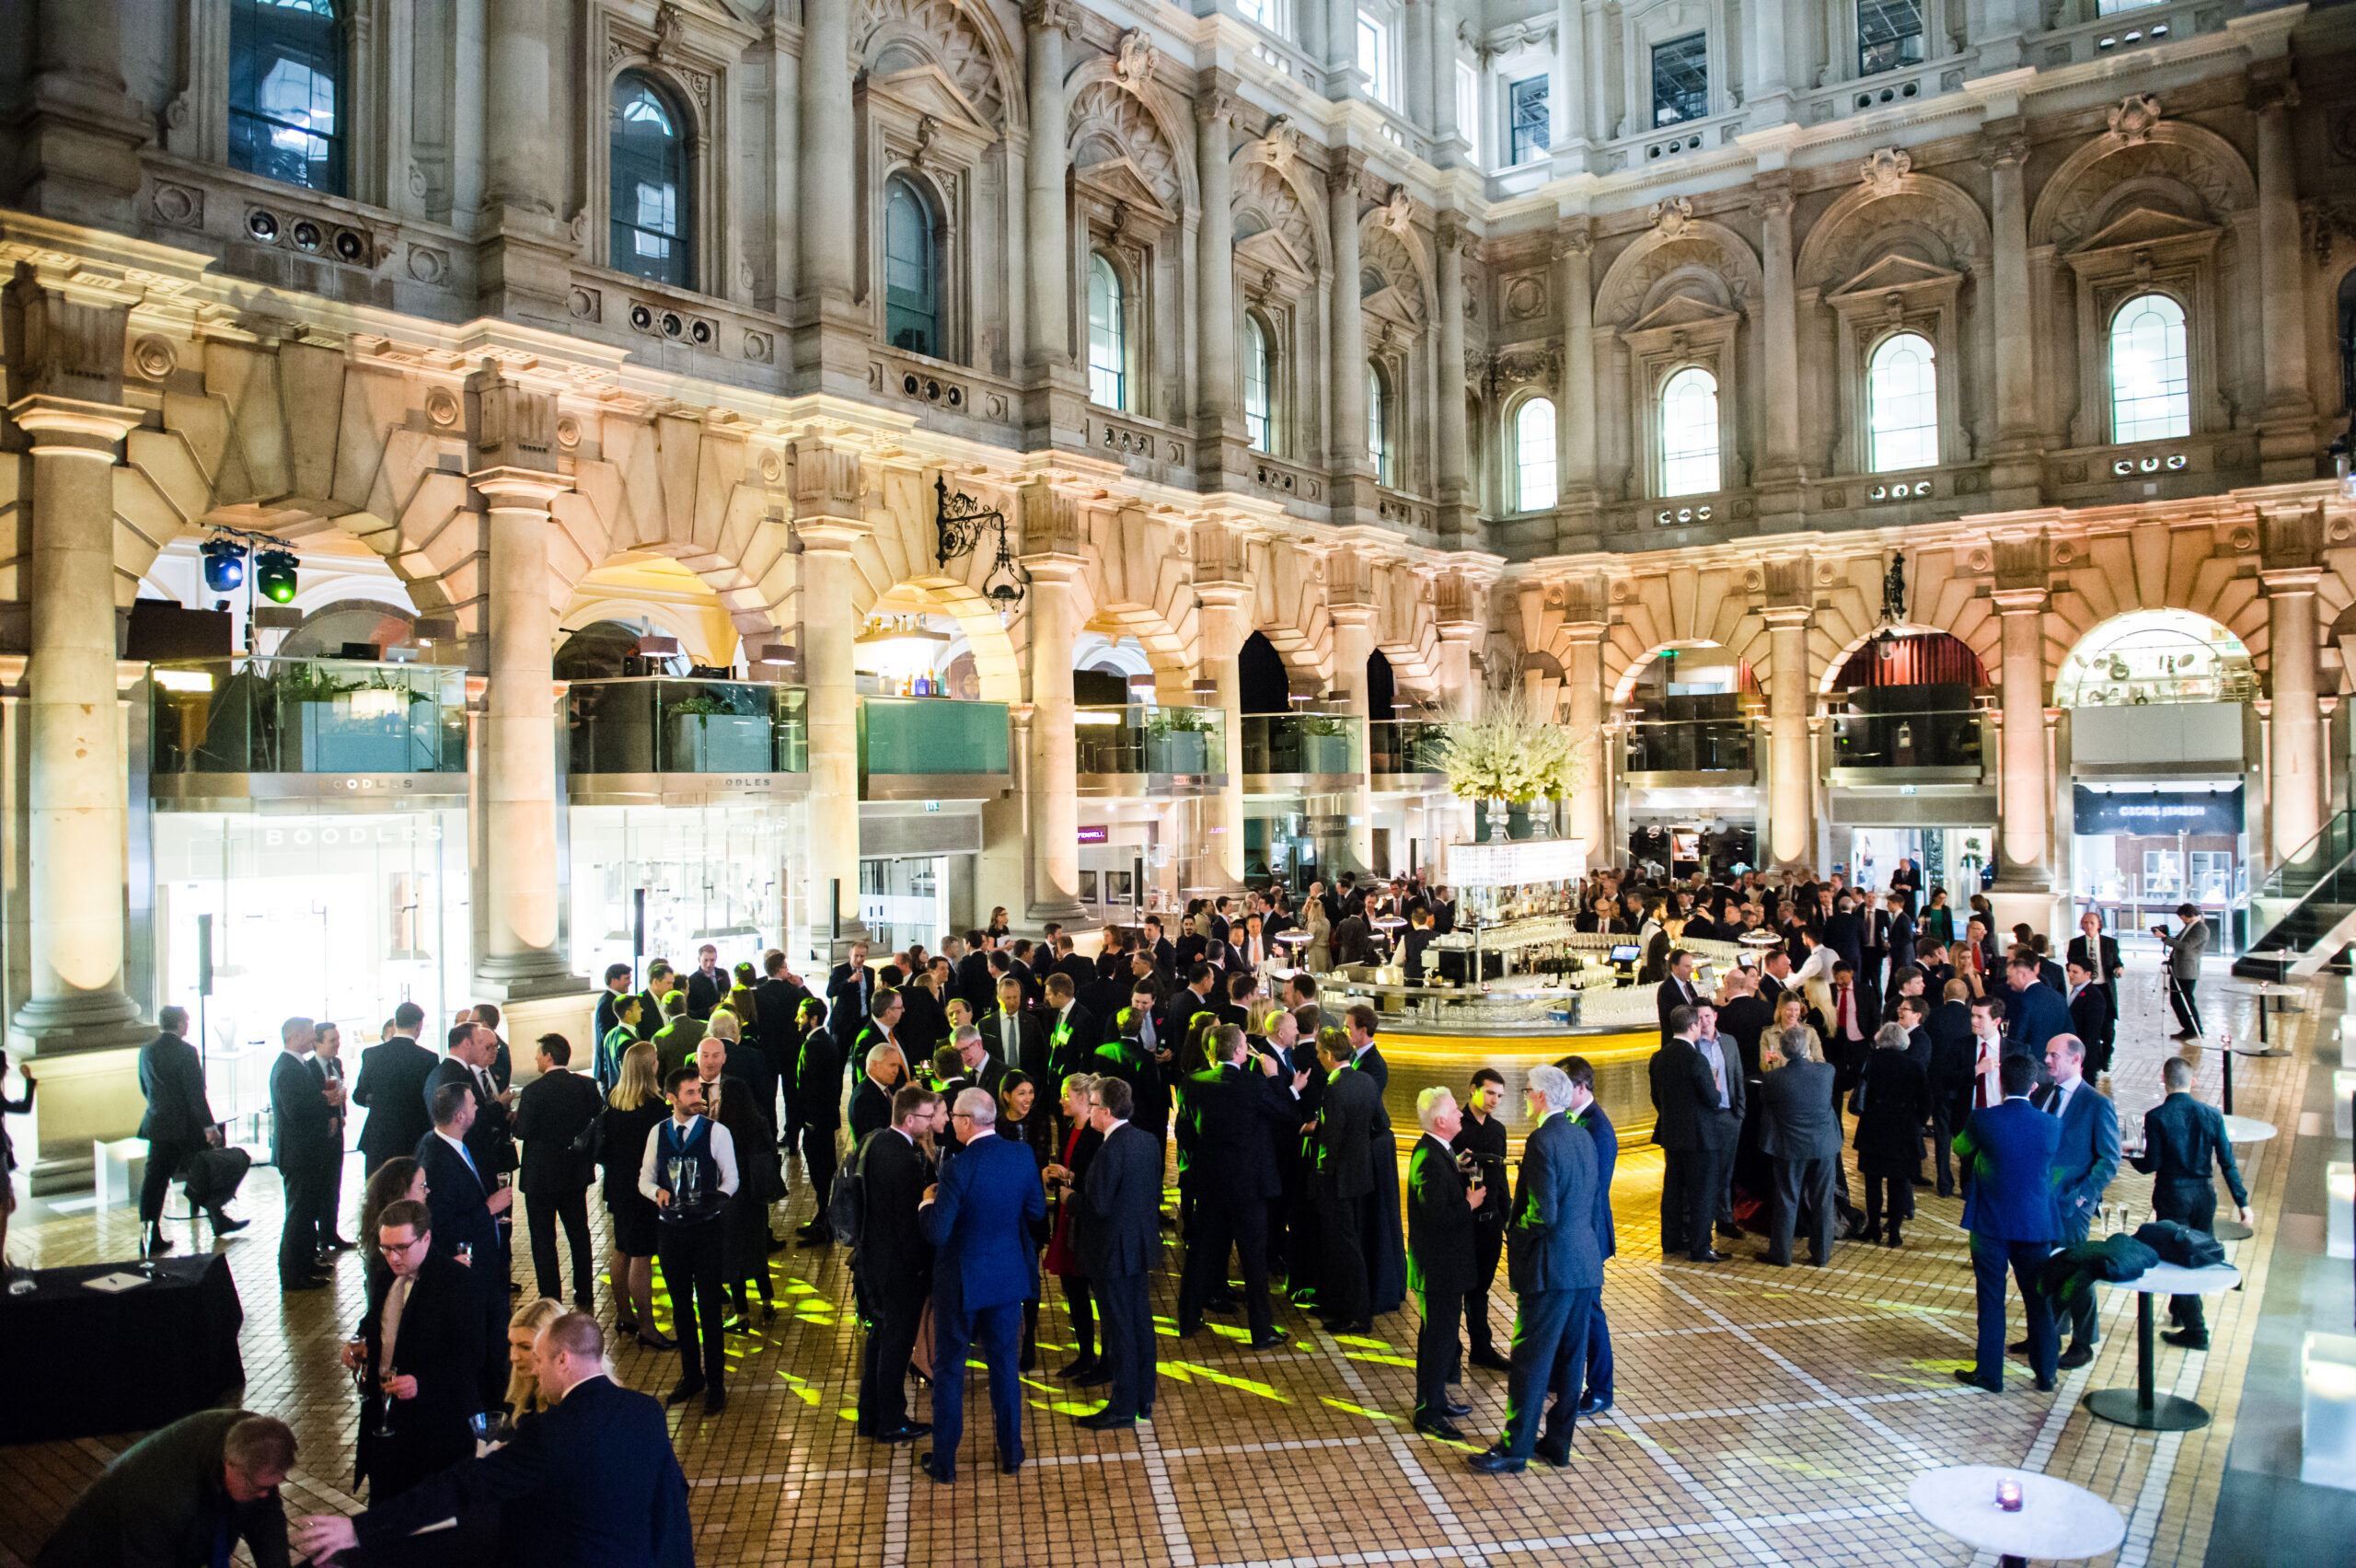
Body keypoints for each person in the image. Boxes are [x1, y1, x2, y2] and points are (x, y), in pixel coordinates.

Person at [294, 1313, 693, 1568]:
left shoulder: (550, 1433)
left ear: (563, 1360)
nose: (534, 1372)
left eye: (538, 1359)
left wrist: (360, 1530)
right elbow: (669, 1501)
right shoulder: (647, 1412)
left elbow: (463, 1486)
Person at [1468, 1065, 1604, 1474]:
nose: (1524, 1098)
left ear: (1542, 1096)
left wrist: (1513, 1231)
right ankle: (1557, 1444)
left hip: (1550, 1269)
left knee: (1530, 1361)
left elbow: (1542, 1213)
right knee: (1570, 1360)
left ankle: (1515, 1447)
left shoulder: (1542, 1141)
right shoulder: (1583, 1134)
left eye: (1527, 1091)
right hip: (1584, 1265)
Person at [916, 1088, 1046, 1482]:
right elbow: (1036, 1211)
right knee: (1004, 1367)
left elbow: (938, 1232)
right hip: (1006, 1280)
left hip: (961, 1285)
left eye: (954, 1116)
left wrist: (926, 1203)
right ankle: (1011, 1453)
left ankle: (945, 1463)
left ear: (968, 1121)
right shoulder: (1022, 1156)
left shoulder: (957, 1167)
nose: (950, 1123)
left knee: (950, 1370)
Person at [35, 1411, 296, 1568]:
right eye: (259, 1487)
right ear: (230, 1465)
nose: (265, 1494)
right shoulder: (162, 1495)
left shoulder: (256, 1446)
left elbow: (266, 1521)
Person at [348, 1197, 483, 1502]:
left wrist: (423, 1383)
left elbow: (471, 1356)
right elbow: (374, 1323)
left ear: (426, 1238)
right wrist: (359, 1344)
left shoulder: (457, 1283)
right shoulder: (385, 1277)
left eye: (401, 1248)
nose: (393, 1257)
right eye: (385, 1248)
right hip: (386, 1420)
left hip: (434, 1429)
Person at [1174, 1024, 1300, 1350]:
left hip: (1210, 1185)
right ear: (1239, 1052)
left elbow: (1184, 1133)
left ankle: (1187, 1320)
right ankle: (1261, 1331)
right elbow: (1287, 1114)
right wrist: (1278, 1080)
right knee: (1253, 1260)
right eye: (1246, 1044)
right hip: (1249, 1188)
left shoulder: (1193, 1083)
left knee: (1200, 1254)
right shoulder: (1254, 1084)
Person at [1952, 1054, 2062, 1394]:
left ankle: (1990, 1374)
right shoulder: (2052, 1125)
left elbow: (1959, 1147)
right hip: (2035, 1226)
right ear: (2034, 1086)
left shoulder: (1983, 1119)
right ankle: (2046, 1374)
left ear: (2000, 1084)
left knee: (1991, 1297)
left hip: (1990, 1225)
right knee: (2038, 1300)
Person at [2131, 1055, 2251, 1349]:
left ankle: (2197, 1330)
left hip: (2172, 1196)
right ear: (2192, 1081)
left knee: (2180, 1258)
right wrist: (2242, 1202)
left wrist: (2130, 1155)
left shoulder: (2156, 1116)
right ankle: (2179, 1311)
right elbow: (2227, 1162)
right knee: (2196, 1252)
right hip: (2204, 1196)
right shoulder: (2211, 1114)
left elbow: (2151, 1164)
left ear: (2165, 1081)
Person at [641, 1066, 738, 1413]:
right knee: (680, 1306)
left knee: (709, 1306)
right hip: (671, 1231)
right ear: (672, 1098)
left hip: (706, 1229)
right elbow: (644, 1178)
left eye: (699, 1091)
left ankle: (716, 1382)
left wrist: (716, 1201)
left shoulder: (717, 1133)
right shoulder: (658, 1133)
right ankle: (690, 1375)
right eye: (690, 1093)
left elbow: (731, 1179)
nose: (699, 1098)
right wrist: (657, 1193)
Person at [2020, 1032, 2119, 1367]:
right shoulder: (2044, 1094)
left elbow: (2109, 1159)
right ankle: (2045, 1332)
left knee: (2077, 1272)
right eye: (2046, 1054)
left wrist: (2084, 1198)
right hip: (2039, 1203)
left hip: (2071, 1207)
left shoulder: (2097, 1104)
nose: (2046, 1061)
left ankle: (2082, 1342)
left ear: (2076, 1059)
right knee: (2042, 1270)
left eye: (2053, 1055)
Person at [415, 1079, 515, 1404]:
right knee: (488, 1350)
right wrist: (489, 1209)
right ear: (460, 1115)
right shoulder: (438, 1161)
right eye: (473, 1104)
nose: (477, 1108)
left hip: (485, 1261)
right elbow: (443, 1227)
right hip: (472, 1272)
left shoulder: (450, 1143)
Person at [1073, 1074, 1161, 1429]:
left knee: (1119, 1329)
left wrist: (1070, 1198)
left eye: (1092, 1105)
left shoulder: (1110, 1149)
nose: (1089, 1111)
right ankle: (1143, 1396)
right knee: (1141, 1324)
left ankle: (1123, 1406)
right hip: (1139, 1246)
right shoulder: (1148, 1140)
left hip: (1112, 1252)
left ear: (1105, 1111)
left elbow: (1099, 1205)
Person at [854, 1085, 940, 1442]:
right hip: (898, 1269)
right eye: (927, 1116)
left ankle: (870, 1415)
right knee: (896, 1345)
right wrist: (922, 1265)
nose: (933, 1122)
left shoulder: (875, 1143)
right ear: (909, 1119)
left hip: (874, 1260)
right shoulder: (904, 1160)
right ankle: (892, 1420)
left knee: (879, 1339)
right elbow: (907, 1225)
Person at [1405, 1086, 1482, 1439]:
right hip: (1438, 1270)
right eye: (1455, 1111)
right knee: (1437, 1340)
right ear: (1440, 1121)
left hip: (1442, 1268)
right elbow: (1436, 1216)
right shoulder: (1428, 1161)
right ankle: (1429, 1412)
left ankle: (1435, 1399)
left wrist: (1456, 1166)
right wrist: (1470, 1202)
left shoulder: (1439, 1153)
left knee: (1440, 1338)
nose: (1461, 1115)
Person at [514, 1033, 603, 1313]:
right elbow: (597, 1119)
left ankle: (550, 1295)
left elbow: (523, 1131)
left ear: (549, 1056)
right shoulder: (586, 1086)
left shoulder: (532, 1092)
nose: (536, 1058)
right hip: (574, 1172)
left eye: (539, 1053)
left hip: (540, 1177)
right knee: (579, 1232)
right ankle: (585, 1290)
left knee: (543, 1238)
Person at [138, 1005, 239, 1252]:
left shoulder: (146, 1051)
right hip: (186, 1127)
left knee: (155, 1181)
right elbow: (196, 1094)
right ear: (182, 1024)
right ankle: (218, 1218)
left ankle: (148, 1236)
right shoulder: (186, 1052)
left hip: (159, 1125)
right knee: (208, 1170)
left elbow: (144, 1086)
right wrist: (210, 1126)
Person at [596, 1043, 671, 1350]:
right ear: (649, 1068)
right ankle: (648, 1327)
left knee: (622, 1249)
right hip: (643, 1187)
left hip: (617, 1185)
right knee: (642, 1255)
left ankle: (625, 1316)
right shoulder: (654, 1106)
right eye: (655, 1061)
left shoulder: (614, 1100)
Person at [1556, 1056, 1618, 1417]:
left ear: (1581, 1088)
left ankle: (1600, 1389)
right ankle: (1567, 1377)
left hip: (1589, 1235)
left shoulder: (1598, 1129)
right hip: (1580, 1234)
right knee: (1577, 1309)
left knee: (1591, 1311)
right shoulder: (1577, 1121)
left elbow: (1594, 1190)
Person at [1310, 1024, 1381, 1332]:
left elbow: (1331, 1140)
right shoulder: (1365, 1081)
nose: (1317, 1057)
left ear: (1327, 1054)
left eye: (1318, 1052)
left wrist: (1321, 1172)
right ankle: (1341, 1305)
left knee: (1343, 1246)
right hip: (1360, 1176)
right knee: (1347, 1242)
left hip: (1337, 1180)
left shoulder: (1334, 1089)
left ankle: (1355, 1313)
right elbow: (1382, 1123)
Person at [1649, 1004, 1734, 1262]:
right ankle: (1700, 1247)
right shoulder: (1697, 1060)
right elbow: (1711, 1099)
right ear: (1693, 1026)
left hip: (1671, 1134)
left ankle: (1671, 1241)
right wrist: (1717, 1088)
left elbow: (1656, 1098)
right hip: (1700, 1137)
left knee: (1673, 1190)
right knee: (1703, 1193)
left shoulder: (1658, 1057)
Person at [1756, 1026, 1840, 1268]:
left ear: (1782, 1051)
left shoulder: (1773, 1079)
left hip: (1789, 1147)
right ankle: (1821, 1253)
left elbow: (1765, 1100)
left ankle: (1781, 1254)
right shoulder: (1827, 1072)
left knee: (1787, 1198)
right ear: (1806, 1048)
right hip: (1823, 1145)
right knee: (1823, 1200)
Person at [1042, 1074, 1104, 1383]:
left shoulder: (1096, 1134)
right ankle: (1085, 1354)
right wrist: (1060, 1176)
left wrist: (1071, 1178)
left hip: (1086, 1224)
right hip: (1068, 1219)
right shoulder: (1070, 1129)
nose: (1061, 1099)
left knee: (1094, 1292)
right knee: (1074, 1291)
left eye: (1067, 1095)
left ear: (1084, 1097)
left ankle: (1106, 1360)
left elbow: (1098, 1183)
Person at [1449, 1068, 1512, 1378]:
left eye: (1499, 1096)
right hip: (1465, 1221)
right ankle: (1452, 1350)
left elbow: (1500, 1179)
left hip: (1490, 1222)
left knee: (1481, 1290)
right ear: (1473, 1089)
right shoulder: (1456, 1126)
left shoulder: (1498, 1130)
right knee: (1458, 1286)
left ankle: (1481, 1349)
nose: (1494, 1101)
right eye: (1489, 1093)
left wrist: (1507, 1218)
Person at [270, 1017, 337, 1288]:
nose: (313, 1038)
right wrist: (325, 1099)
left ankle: (307, 1264)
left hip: (307, 1152)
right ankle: (292, 1275)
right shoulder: (287, 1068)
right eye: (310, 1034)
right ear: (296, 1036)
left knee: (307, 1213)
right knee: (298, 1216)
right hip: (297, 1154)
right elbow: (294, 1109)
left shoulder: (296, 1065)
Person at [1853, 1022, 1932, 1247]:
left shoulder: (1872, 1063)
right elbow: (1927, 1101)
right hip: (1903, 1133)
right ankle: (1894, 1232)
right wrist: (1916, 1121)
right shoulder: (1915, 1067)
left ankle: (1874, 1227)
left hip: (1873, 1130)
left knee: (1873, 1182)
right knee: (1898, 1183)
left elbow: (1861, 1094)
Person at [354, 1001, 438, 1178]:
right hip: (414, 1138)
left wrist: (377, 1100)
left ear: (395, 1023)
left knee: (379, 1195)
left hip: (379, 1138)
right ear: (418, 1026)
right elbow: (431, 1099)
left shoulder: (371, 1055)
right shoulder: (428, 1059)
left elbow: (359, 1095)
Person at [2157, 903, 2208, 1039]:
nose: (2182, 920)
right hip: (2177, 968)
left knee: (2186, 1001)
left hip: (2187, 970)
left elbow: (2186, 946)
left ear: (2188, 915)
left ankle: (2194, 1029)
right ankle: (2187, 1027)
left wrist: (2165, 938)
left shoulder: (2200, 929)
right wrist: (2166, 937)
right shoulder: (2189, 927)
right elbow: (2179, 942)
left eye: (2183, 917)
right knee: (2176, 1000)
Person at [2063, 957, 2117, 1079]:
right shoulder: (2076, 991)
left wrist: (2082, 1059)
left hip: (2084, 1057)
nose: (2070, 975)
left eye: (2075, 972)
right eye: (2069, 971)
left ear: (2088, 974)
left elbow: (2092, 1033)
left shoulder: (2093, 996)